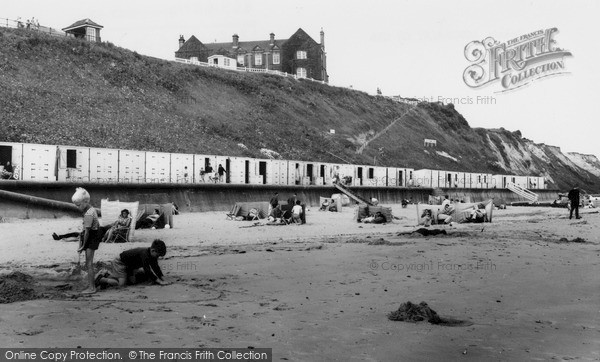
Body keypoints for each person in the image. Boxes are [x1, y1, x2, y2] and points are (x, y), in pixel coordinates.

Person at [96, 239, 170, 289]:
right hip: (120, 263)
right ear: (153, 250)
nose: (158, 257)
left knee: (133, 282)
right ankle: (102, 278)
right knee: (121, 285)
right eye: (158, 255)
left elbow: (155, 267)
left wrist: (162, 277)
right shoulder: (144, 255)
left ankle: (112, 275)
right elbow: (147, 269)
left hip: (130, 266)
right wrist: (159, 281)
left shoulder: (152, 255)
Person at [72, 187, 102, 294]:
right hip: (93, 234)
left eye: (78, 205)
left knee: (89, 263)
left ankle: (92, 288)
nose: (77, 207)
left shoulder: (88, 214)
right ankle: (91, 285)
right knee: (88, 263)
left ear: (85, 201)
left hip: (92, 236)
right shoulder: (90, 209)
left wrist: (83, 245)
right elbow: (85, 230)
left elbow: (88, 232)